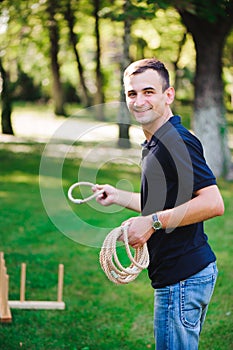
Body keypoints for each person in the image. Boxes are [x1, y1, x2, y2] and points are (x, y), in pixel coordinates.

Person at [93, 58, 224, 349]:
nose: (139, 101)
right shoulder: (157, 141)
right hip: (184, 274)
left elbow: (213, 203)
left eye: (148, 91)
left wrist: (152, 223)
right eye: (132, 93)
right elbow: (164, 203)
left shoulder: (175, 141)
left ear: (169, 95)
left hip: (182, 278)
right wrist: (118, 196)